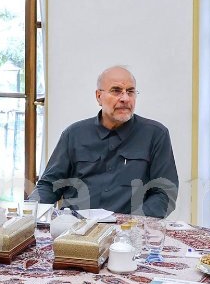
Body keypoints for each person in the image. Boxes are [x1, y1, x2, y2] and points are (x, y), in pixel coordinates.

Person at [29, 65, 179, 218]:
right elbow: (48, 186)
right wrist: (30, 216)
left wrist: (133, 224)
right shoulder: (73, 134)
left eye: (130, 91)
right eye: (116, 91)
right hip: (76, 230)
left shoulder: (155, 134)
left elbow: (165, 192)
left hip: (130, 233)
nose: (125, 98)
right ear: (98, 96)